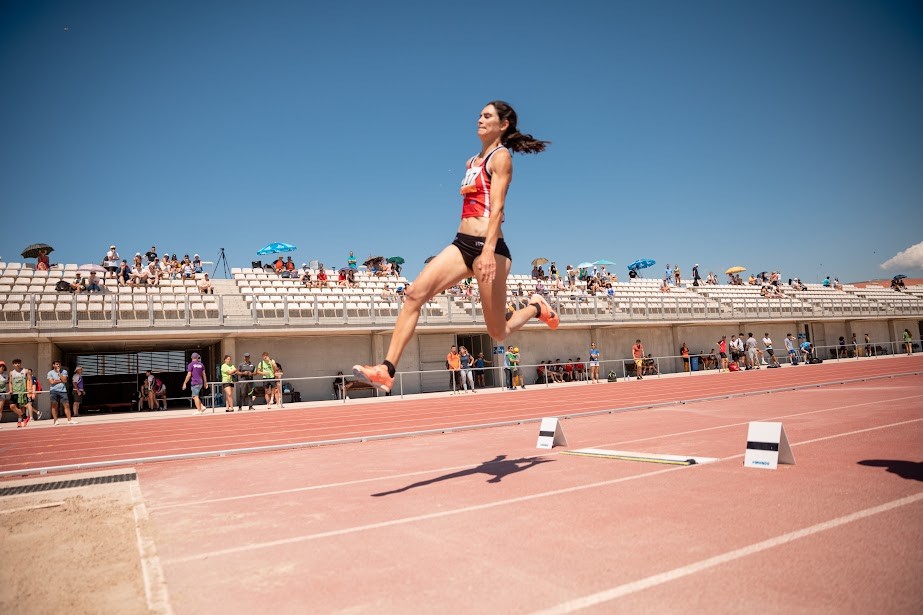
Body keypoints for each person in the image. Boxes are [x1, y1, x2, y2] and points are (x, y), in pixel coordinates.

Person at [352, 101, 555, 392]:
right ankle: (387, 369)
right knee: (414, 294)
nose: (480, 119)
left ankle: (536, 307)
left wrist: (487, 251)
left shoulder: (501, 158)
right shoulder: (471, 162)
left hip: (491, 249)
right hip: (462, 244)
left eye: (487, 116)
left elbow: (497, 208)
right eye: (480, 115)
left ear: (503, 124)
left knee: (498, 331)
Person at [48, 360, 77, 425]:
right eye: (57, 364)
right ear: (53, 365)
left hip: (63, 391)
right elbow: (51, 382)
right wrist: (60, 380)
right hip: (54, 391)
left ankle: (69, 420)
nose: (58, 365)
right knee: (54, 405)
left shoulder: (64, 371)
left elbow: (65, 380)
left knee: (66, 405)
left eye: (59, 364)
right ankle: (55, 420)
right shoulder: (50, 373)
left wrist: (59, 373)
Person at [8, 359, 33, 427]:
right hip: (15, 392)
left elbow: (29, 379)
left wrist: (30, 389)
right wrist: (10, 390)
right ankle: (25, 417)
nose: (17, 364)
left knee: (22, 407)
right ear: (13, 364)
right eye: (16, 363)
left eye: (19, 363)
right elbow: (10, 382)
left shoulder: (25, 371)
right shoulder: (11, 373)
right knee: (12, 406)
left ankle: (20, 421)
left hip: (22, 392)